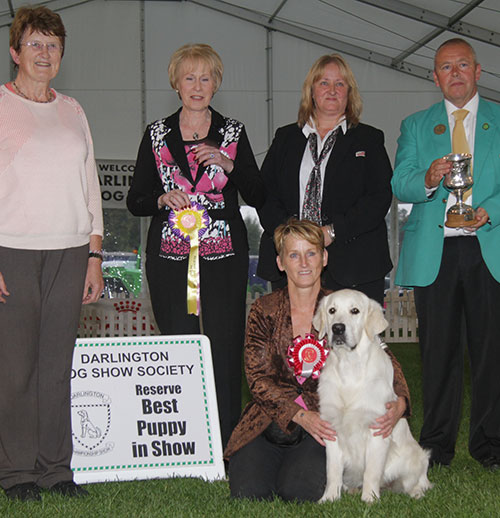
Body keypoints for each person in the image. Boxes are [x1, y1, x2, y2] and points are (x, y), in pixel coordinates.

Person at [127, 44, 264, 449]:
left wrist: (229, 165)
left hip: (224, 256)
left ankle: (226, 440)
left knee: (224, 342)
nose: (197, 86)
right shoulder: (155, 134)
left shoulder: (233, 132)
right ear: (176, 83)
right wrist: (159, 199)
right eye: (190, 77)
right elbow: (135, 200)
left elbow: (259, 191)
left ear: (217, 83)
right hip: (169, 258)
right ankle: (184, 437)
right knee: (178, 340)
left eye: (206, 78)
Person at [226, 218, 410, 501]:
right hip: (268, 421)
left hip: (322, 430)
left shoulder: (341, 307)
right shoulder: (264, 310)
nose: (303, 263)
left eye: (311, 253)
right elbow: (257, 379)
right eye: (293, 255)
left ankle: (297, 469)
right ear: (280, 262)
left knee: (299, 492)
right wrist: (300, 416)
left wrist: (401, 402)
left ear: (324, 258)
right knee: (247, 493)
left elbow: (383, 353)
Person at [0, 6, 104, 502]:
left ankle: (55, 469)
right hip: (12, 252)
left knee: (57, 365)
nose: (45, 53)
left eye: (53, 46)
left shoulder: (74, 111)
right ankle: (16, 472)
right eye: (35, 44)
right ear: (15, 52)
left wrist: (94, 254)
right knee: (15, 368)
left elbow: (90, 186)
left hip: (70, 251)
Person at [392, 38, 500, 470]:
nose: (454, 73)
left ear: (478, 71)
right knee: (437, 352)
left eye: (462, 65)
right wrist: (429, 178)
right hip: (435, 251)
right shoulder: (416, 125)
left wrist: (490, 211)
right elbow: (401, 183)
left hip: (487, 244)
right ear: (434, 78)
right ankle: (436, 445)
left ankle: (490, 444)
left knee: (490, 350)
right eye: (444, 68)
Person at [257, 54, 393, 305]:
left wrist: (332, 231)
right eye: (324, 83)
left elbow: (378, 198)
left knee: (353, 344)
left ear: (349, 93)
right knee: (292, 342)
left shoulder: (369, 139)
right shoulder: (285, 138)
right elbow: (264, 194)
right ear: (311, 91)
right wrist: (290, 235)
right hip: (293, 263)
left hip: (354, 266)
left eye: (340, 84)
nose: (332, 90)